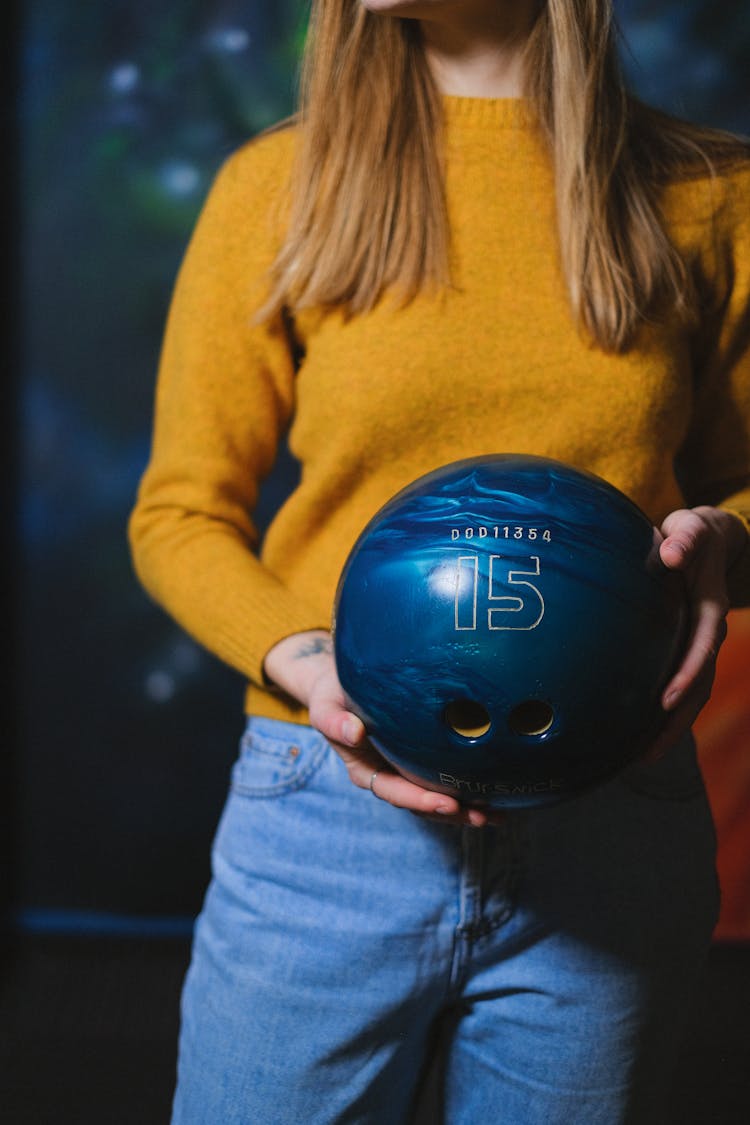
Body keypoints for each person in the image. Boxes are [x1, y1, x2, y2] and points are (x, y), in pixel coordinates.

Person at [129, 1, 750, 1121]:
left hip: (615, 814)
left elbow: (742, 492)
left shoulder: (714, 192)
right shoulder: (277, 188)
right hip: (328, 807)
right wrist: (312, 668)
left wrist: (728, 542)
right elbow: (180, 513)